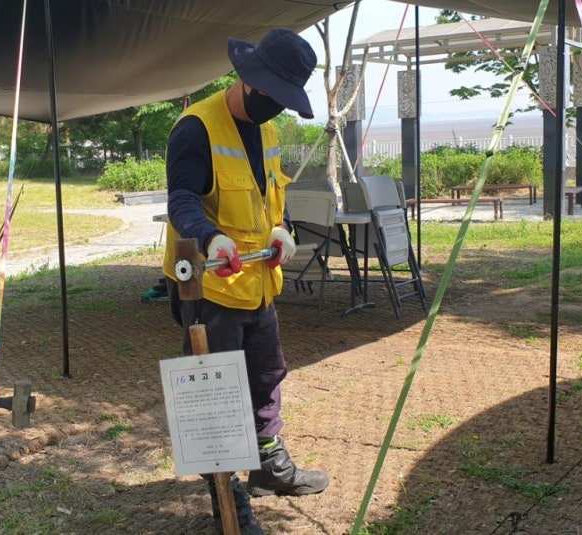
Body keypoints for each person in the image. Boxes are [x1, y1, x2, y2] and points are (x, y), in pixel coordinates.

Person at [162, 28, 329, 534]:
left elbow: (270, 196)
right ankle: (228, 495)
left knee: (266, 375)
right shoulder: (196, 127)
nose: (277, 110)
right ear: (249, 82)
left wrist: (284, 230)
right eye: (273, 98)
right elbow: (182, 200)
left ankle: (268, 466)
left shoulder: (270, 130)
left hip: (258, 283)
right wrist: (211, 239)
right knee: (217, 394)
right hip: (209, 287)